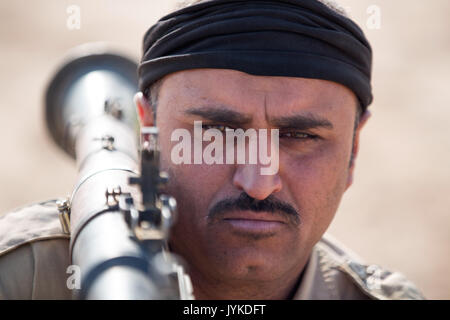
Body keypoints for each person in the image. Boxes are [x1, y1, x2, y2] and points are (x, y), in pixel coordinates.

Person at [0, 0, 424, 299]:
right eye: (217, 131)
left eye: (299, 137)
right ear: (147, 132)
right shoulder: (23, 280)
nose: (258, 183)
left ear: (353, 150)